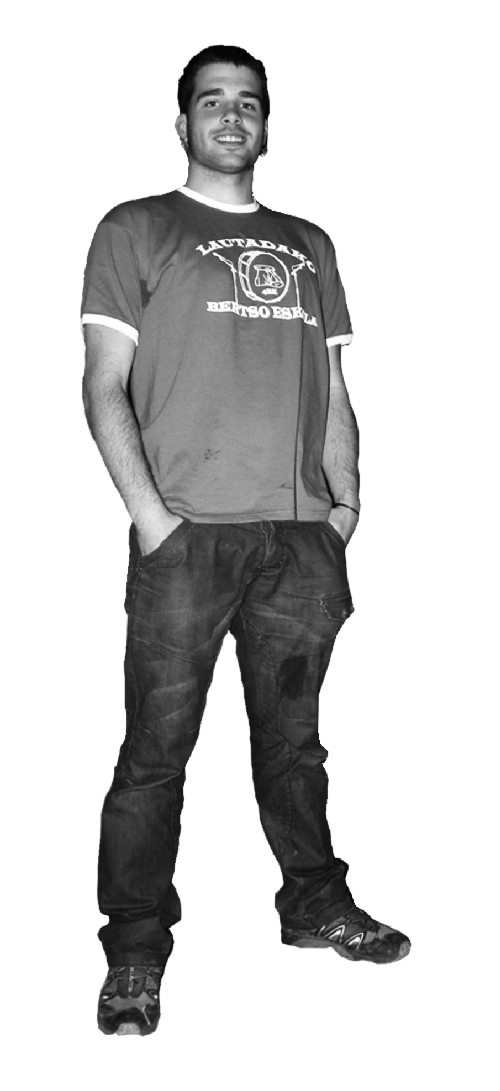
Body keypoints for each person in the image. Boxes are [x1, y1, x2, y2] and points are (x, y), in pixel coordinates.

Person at [82, 44, 411, 1037]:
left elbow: (335, 388)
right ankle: (134, 947)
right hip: (186, 541)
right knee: (153, 758)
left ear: (266, 122)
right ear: (181, 120)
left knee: (295, 748)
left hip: (299, 541)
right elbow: (102, 383)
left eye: (249, 103)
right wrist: (153, 519)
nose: (231, 116)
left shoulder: (309, 243)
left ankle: (312, 903)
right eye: (212, 101)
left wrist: (344, 508)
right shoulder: (136, 228)